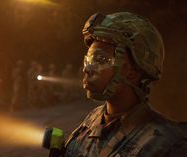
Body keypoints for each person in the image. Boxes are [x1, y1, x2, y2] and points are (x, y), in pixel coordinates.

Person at [63, 12, 187, 157]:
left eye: (101, 59)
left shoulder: (169, 145)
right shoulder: (92, 120)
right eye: (89, 60)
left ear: (132, 72)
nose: (87, 69)